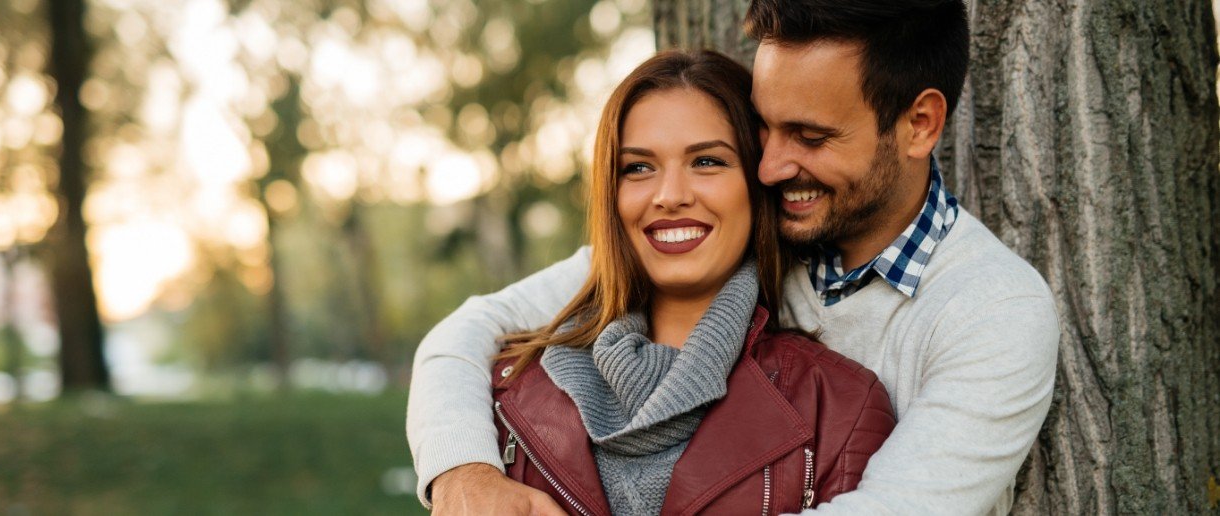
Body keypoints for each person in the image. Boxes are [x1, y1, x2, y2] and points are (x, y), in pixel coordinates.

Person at [407, 0, 1060, 514]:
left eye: (809, 136)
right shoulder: (749, 224)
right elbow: (466, 332)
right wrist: (464, 472)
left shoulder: (993, 312)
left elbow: (893, 509)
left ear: (919, 124)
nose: (770, 166)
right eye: (764, 129)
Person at [487, 49, 894, 516]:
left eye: (707, 162)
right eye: (638, 167)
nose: (670, 196)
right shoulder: (508, 386)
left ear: (758, 184)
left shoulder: (841, 408)